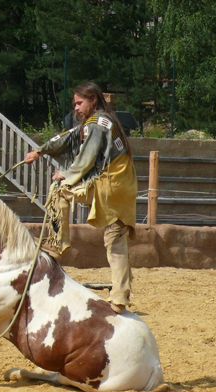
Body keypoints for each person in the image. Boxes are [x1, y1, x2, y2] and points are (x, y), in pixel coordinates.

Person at [24, 81, 138, 314]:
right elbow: (67, 137)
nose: (75, 107)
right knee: (115, 238)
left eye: (79, 102)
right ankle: (120, 295)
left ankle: (57, 243)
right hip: (117, 184)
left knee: (61, 190)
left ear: (93, 100)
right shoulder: (100, 121)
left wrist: (64, 175)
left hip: (111, 184)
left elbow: (86, 159)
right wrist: (41, 150)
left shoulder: (98, 124)